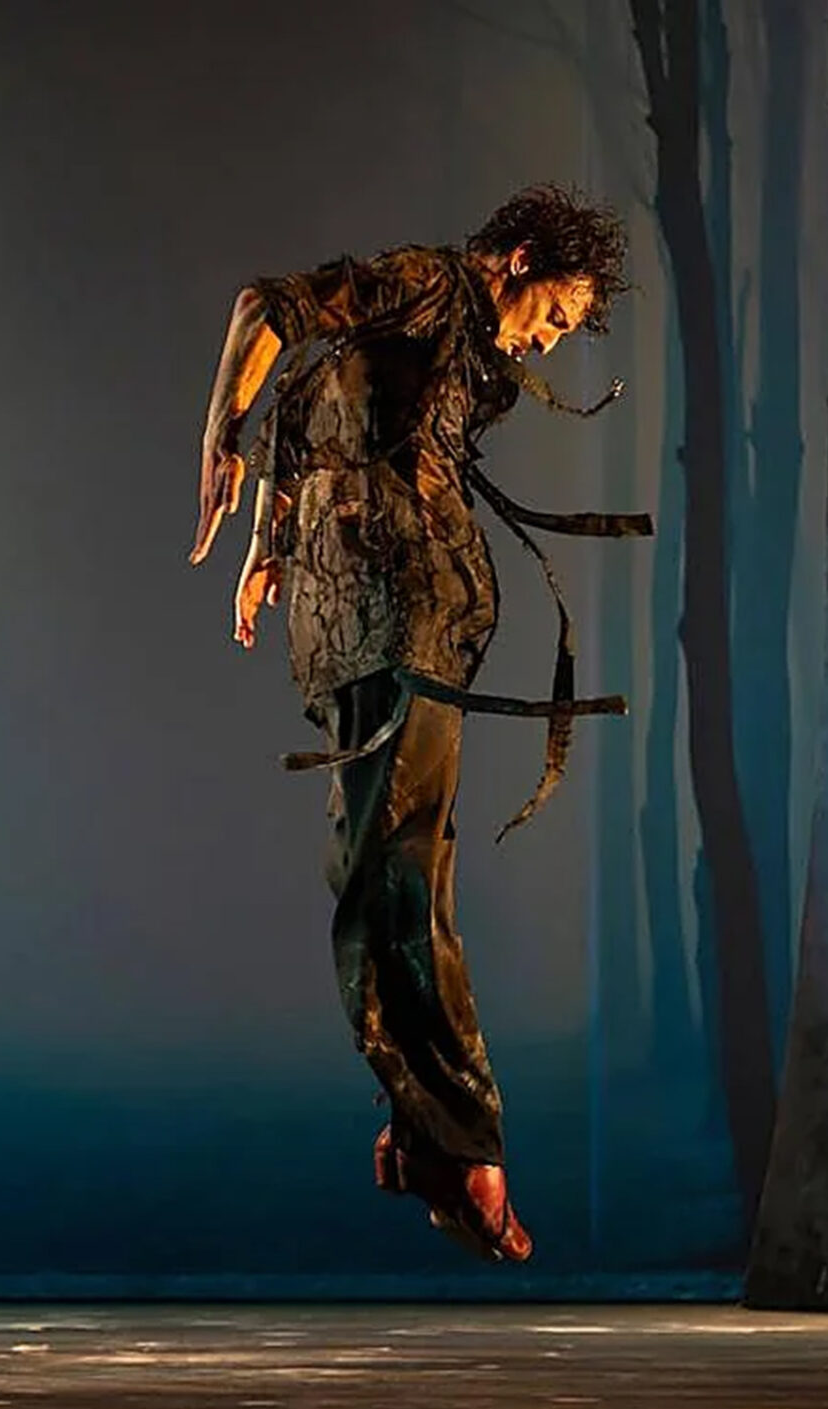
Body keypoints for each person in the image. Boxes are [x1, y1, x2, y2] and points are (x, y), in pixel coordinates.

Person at [189, 185, 645, 1262]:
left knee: (394, 871)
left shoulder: (458, 347)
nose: (549, 337)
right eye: (554, 310)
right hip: (363, 617)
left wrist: (273, 536)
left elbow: (333, 410)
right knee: (375, 868)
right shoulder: (430, 287)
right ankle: (426, 1124)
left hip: (412, 616)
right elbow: (273, 318)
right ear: (516, 258)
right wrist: (233, 461)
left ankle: (459, 1137)